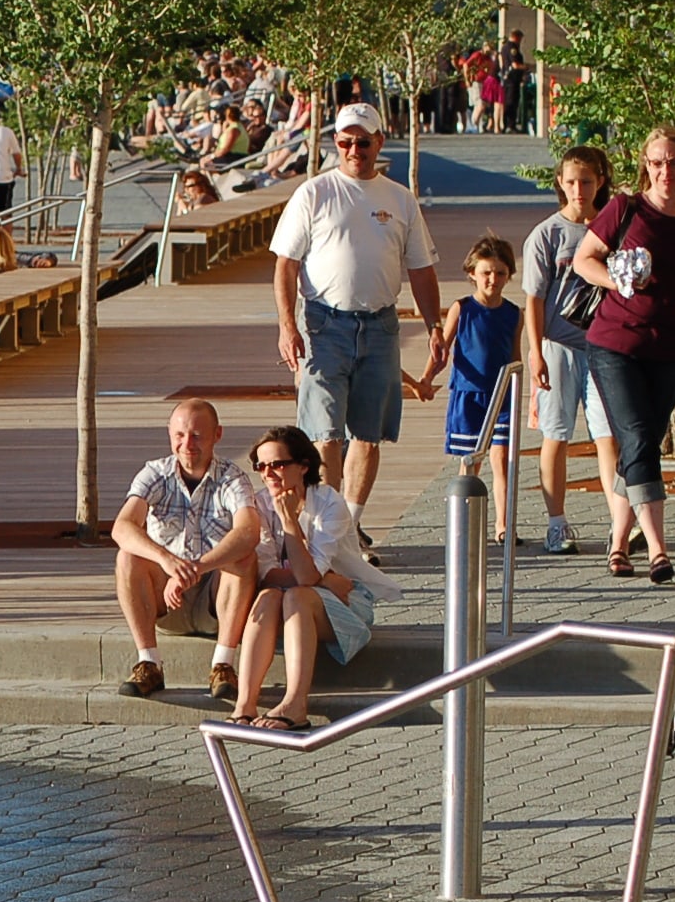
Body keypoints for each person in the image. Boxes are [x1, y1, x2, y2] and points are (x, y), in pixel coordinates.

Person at [270, 102, 444, 552]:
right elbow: (285, 265)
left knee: (369, 432)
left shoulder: (400, 198)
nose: (353, 150)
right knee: (324, 432)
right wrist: (287, 325)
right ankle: (326, 528)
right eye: (344, 142)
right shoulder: (314, 192)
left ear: (379, 143)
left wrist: (435, 326)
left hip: (381, 324)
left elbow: (421, 268)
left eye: (362, 142)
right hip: (324, 323)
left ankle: (351, 524)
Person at [570, 124, 675, 586]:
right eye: (657, 162)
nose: (665, 171)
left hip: (672, 347)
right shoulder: (626, 208)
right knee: (634, 434)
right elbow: (584, 259)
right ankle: (657, 547)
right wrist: (620, 282)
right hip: (616, 342)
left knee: (643, 445)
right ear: (646, 165)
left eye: (674, 162)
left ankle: (617, 542)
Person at [230, 427, 398, 729]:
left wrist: (290, 522)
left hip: (346, 601)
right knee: (270, 596)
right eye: (261, 466)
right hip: (293, 597)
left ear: (303, 466)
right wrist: (323, 580)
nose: (269, 474)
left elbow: (305, 575)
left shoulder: (329, 503)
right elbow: (266, 575)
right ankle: (245, 704)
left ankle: (296, 704)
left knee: (296, 594)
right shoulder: (258, 504)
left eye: (278, 464)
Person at [112, 399, 261, 701]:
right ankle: (148, 662)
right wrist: (167, 561)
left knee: (244, 558)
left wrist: (197, 567)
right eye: (179, 435)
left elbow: (248, 531)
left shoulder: (232, 478)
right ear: (169, 434)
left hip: (214, 597)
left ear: (217, 434)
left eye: (196, 435)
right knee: (127, 556)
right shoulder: (155, 473)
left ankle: (223, 664)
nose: (187, 444)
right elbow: (122, 527)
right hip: (165, 598)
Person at [522, 146, 624, 559]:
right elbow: (533, 297)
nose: (578, 190)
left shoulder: (613, 228)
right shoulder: (547, 234)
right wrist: (535, 352)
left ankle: (620, 522)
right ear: (560, 184)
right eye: (570, 182)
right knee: (556, 433)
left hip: (603, 344)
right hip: (559, 344)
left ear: (600, 180)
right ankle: (556, 522)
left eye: (586, 181)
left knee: (608, 436)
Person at [410, 234, 522, 535]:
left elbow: (515, 357)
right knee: (471, 460)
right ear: (473, 274)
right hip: (467, 395)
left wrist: (526, 388)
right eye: (486, 273)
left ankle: (503, 525)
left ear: (508, 275)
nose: (493, 280)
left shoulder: (513, 314)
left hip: (501, 396)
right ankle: (465, 521)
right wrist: (426, 379)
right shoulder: (463, 308)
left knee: (502, 458)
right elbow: (442, 351)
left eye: (500, 273)